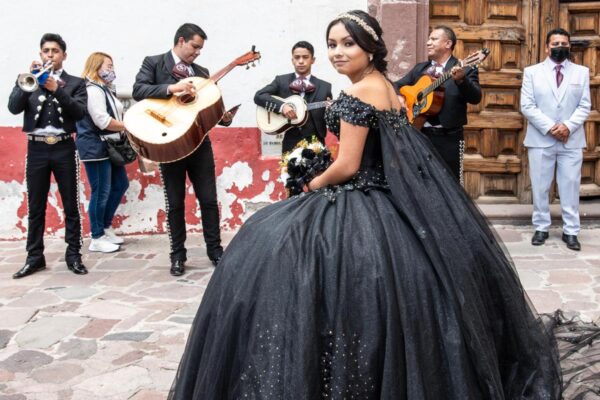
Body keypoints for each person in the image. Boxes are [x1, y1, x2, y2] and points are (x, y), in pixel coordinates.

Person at [167, 11, 564, 399]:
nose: (338, 52)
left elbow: (348, 164)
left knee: (273, 243)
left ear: (370, 48)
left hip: (361, 192)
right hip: (383, 194)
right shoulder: (383, 85)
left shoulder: (361, 90)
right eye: (332, 44)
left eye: (348, 44)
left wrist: (310, 181)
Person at [132, 23, 233, 276]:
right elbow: (138, 90)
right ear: (181, 41)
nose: (198, 52)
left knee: (209, 200)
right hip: (169, 145)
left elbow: (205, 111)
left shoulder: (202, 73)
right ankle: (177, 255)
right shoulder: (154, 63)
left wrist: (223, 117)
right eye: (195, 47)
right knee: (175, 203)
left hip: (199, 145)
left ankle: (215, 251)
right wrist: (171, 89)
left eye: (200, 48)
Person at [8, 33, 88, 279]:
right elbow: (13, 107)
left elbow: (80, 112)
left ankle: (73, 255)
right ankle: (34, 257)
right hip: (37, 149)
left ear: (64, 55)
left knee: (70, 203)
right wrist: (25, 82)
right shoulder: (27, 80)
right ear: (40, 54)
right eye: (46, 51)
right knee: (35, 206)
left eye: (54, 51)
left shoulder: (75, 83)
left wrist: (57, 89)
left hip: (64, 147)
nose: (50, 55)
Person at [521, 28, 591, 251]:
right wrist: (551, 127)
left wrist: (568, 126)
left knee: (570, 186)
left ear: (569, 46)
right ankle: (541, 227)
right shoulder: (532, 72)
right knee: (540, 186)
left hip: (571, 139)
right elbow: (527, 105)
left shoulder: (581, 72)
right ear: (546, 47)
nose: (560, 47)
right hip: (541, 139)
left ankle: (571, 231)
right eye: (555, 43)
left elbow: (585, 105)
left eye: (564, 43)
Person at [394, 25, 481, 183]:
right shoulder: (421, 68)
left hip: (448, 139)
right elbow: (396, 86)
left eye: (433, 39)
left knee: (450, 185)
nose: (428, 42)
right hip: (419, 135)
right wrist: (400, 98)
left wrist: (462, 80)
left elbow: (475, 98)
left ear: (448, 44)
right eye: (428, 39)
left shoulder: (466, 69)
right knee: (420, 182)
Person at [76, 52, 130, 253]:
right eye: (108, 66)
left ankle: (105, 226)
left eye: (112, 66)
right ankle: (96, 236)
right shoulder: (92, 90)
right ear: (96, 66)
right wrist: (128, 126)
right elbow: (102, 121)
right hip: (95, 146)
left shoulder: (104, 89)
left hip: (109, 145)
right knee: (101, 191)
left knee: (120, 184)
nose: (111, 70)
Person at [254, 41, 333, 154]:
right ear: (292, 60)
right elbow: (259, 96)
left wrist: (331, 111)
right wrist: (282, 106)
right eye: (297, 57)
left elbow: (329, 118)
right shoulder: (281, 81)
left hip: (316, 142)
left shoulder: (325, 87)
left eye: (305, 57)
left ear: (313, 60)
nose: (301, 61)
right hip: (290, 142)